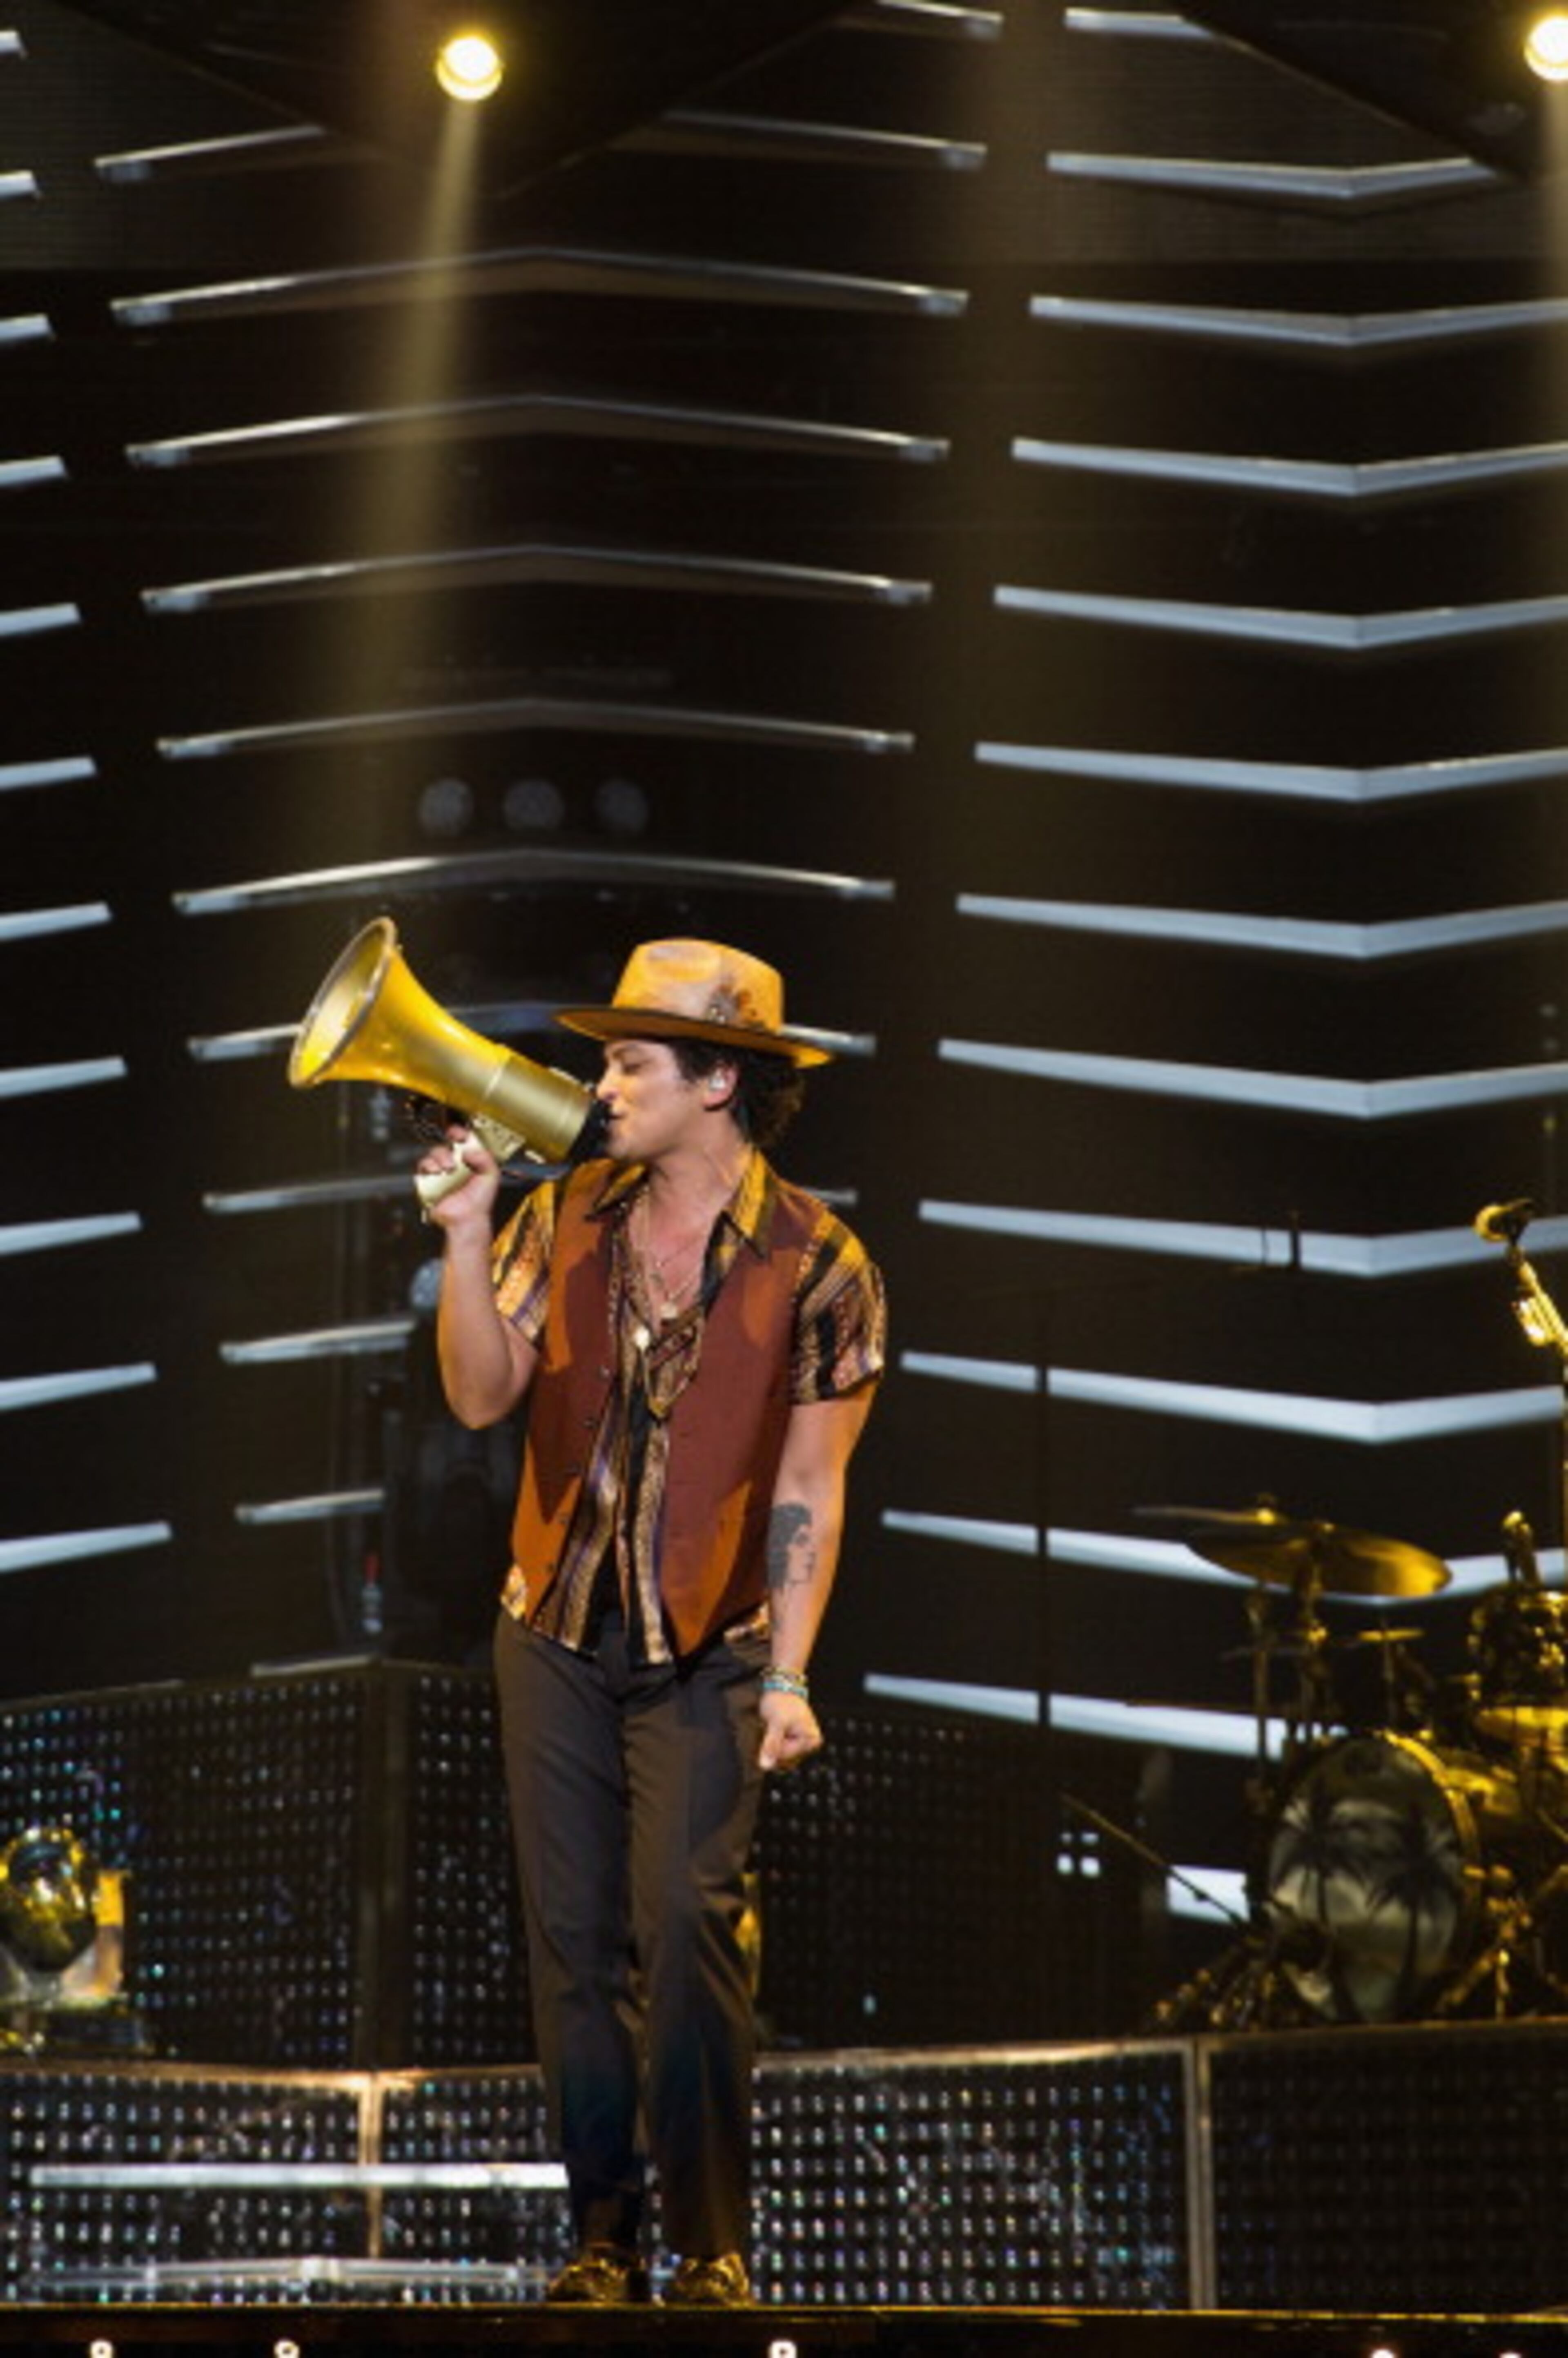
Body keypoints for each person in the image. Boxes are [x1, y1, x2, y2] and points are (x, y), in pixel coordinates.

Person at [419, 937, 886, 2309]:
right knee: (574, 1943)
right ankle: (602, 2239)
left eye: (631, 1059)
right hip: (553, 1626)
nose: (602, 1083)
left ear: (719, 1079)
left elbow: (811, 1486)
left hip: (717, 1643)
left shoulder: (822, 1260)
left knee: (688, 1926)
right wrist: (461, 1236)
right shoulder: (563, 1213)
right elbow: (478, 1394)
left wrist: (793, 1669)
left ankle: (711, 2242)